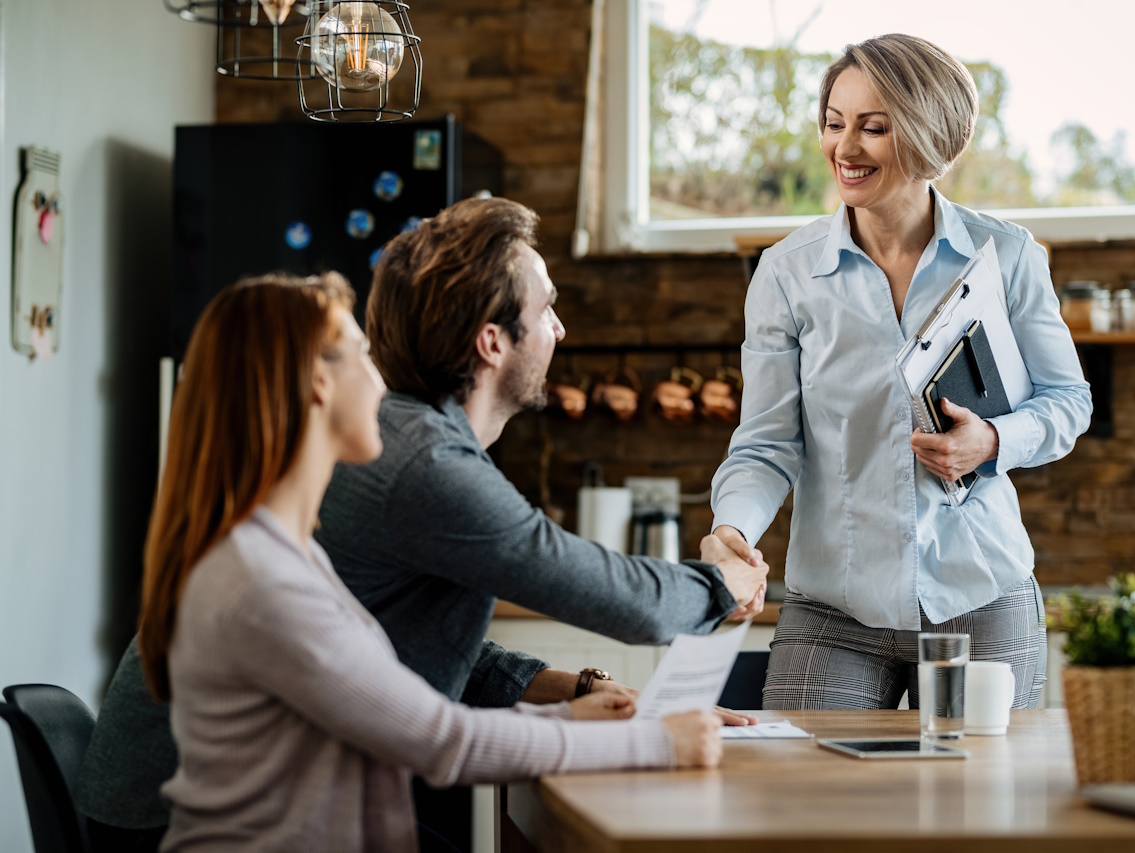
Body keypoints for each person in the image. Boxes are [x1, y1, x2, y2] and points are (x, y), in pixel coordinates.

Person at [75, 199, 768, 848]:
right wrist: (719, 584)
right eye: (548, 307)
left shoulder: (354, 491)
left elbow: (380, 657)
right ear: (493, 341)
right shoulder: (416, 461)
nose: (560, 327)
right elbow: (602, 605)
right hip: (177, 816)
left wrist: (576, 693)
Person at [709, 34, 1092, 711]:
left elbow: (1067, 401)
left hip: (981, 595)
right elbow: (767, 443)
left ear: (927, 134)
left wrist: (993, 441)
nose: (844, 148)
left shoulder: (1006, 255)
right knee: (808, 806)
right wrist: (734, 527)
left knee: (980, 813)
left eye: (873, 128)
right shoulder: (788, 274)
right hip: (835, 608)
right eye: (834, 123)